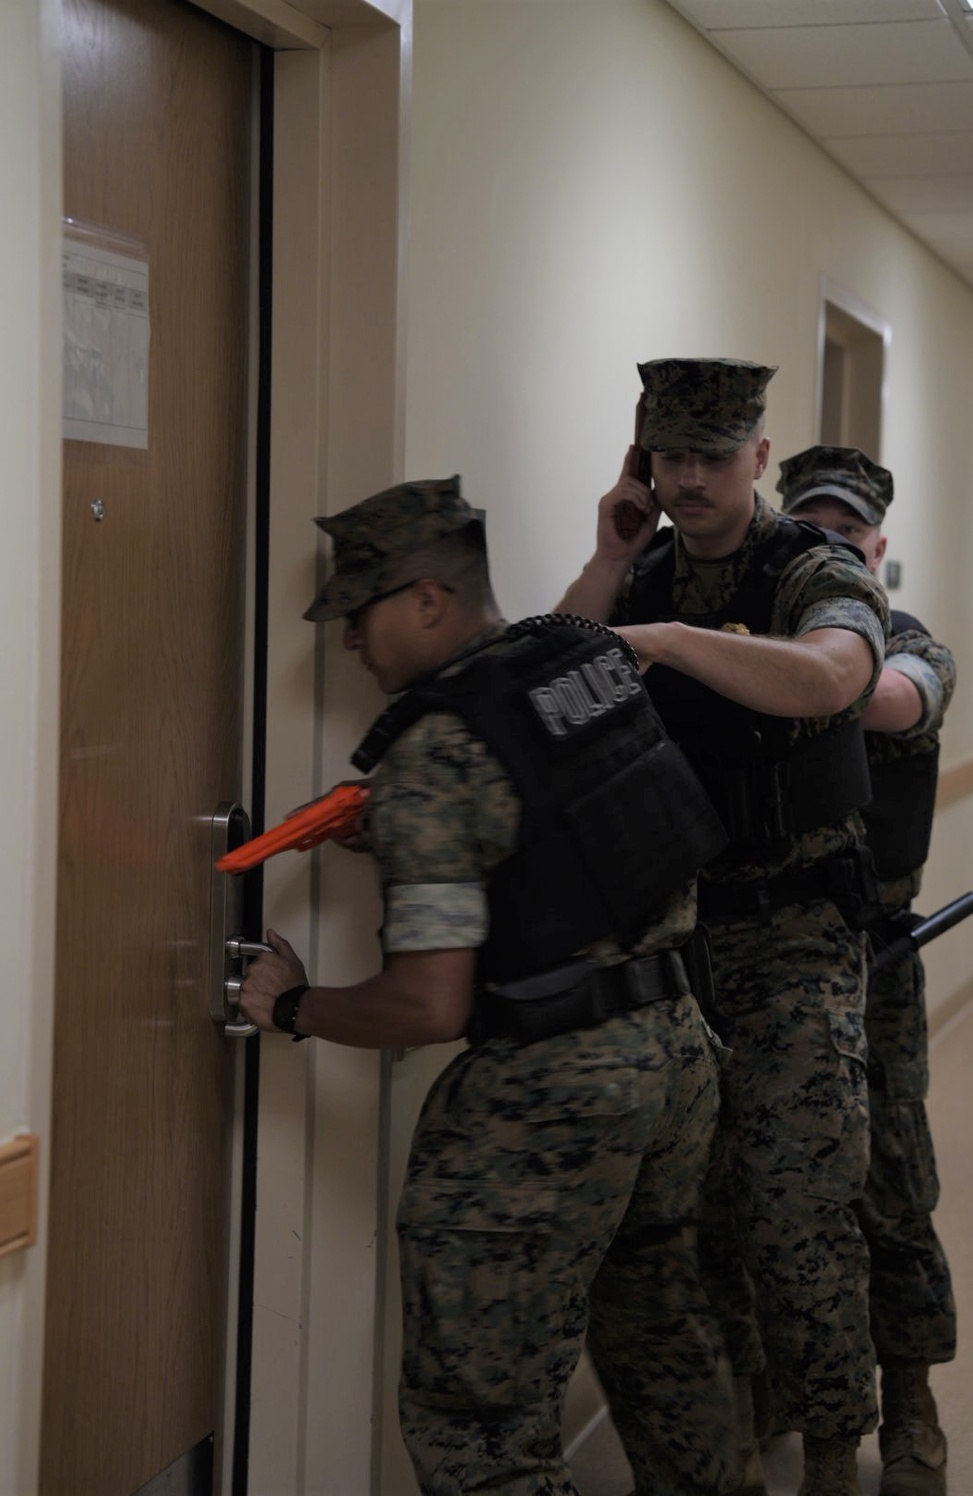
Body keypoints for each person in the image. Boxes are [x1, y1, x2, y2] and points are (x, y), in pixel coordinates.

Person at [238, 475, 740, 1496]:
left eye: (358, 616)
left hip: (555, 1094)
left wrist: (293, 1004)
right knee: (658, 1323)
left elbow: (426, 1006)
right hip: (677, 1052)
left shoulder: (434, 752)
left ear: (428, 599)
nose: (348, 645)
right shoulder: (584, 661)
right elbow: (568, 825)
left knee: (480, 1419)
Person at [557, 359, 890, 1496]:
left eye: (712, 454)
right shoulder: (642, 563)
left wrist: (664, 642)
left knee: (800, 1212)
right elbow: (541, 684)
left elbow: (833, 678)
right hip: (675, 943)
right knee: (695, 1224)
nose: (687, 478)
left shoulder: (811, 565)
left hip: (793, 943)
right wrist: (610, 558)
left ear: (759, 456)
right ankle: (734, 1440)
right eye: (666, 455)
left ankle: (837, 1453)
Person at [778, 446, 956, 1496]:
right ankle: (818, 1430)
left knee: (892, 1188)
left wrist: (801, 666)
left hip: (873, 959)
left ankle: (913, 1406)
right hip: (766, 960)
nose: (829, 545)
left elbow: (889, 701)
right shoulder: (757, 634)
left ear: (877, 548)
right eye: (810, 528)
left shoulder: (909, 642)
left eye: (847, 533)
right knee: (791, 1203)